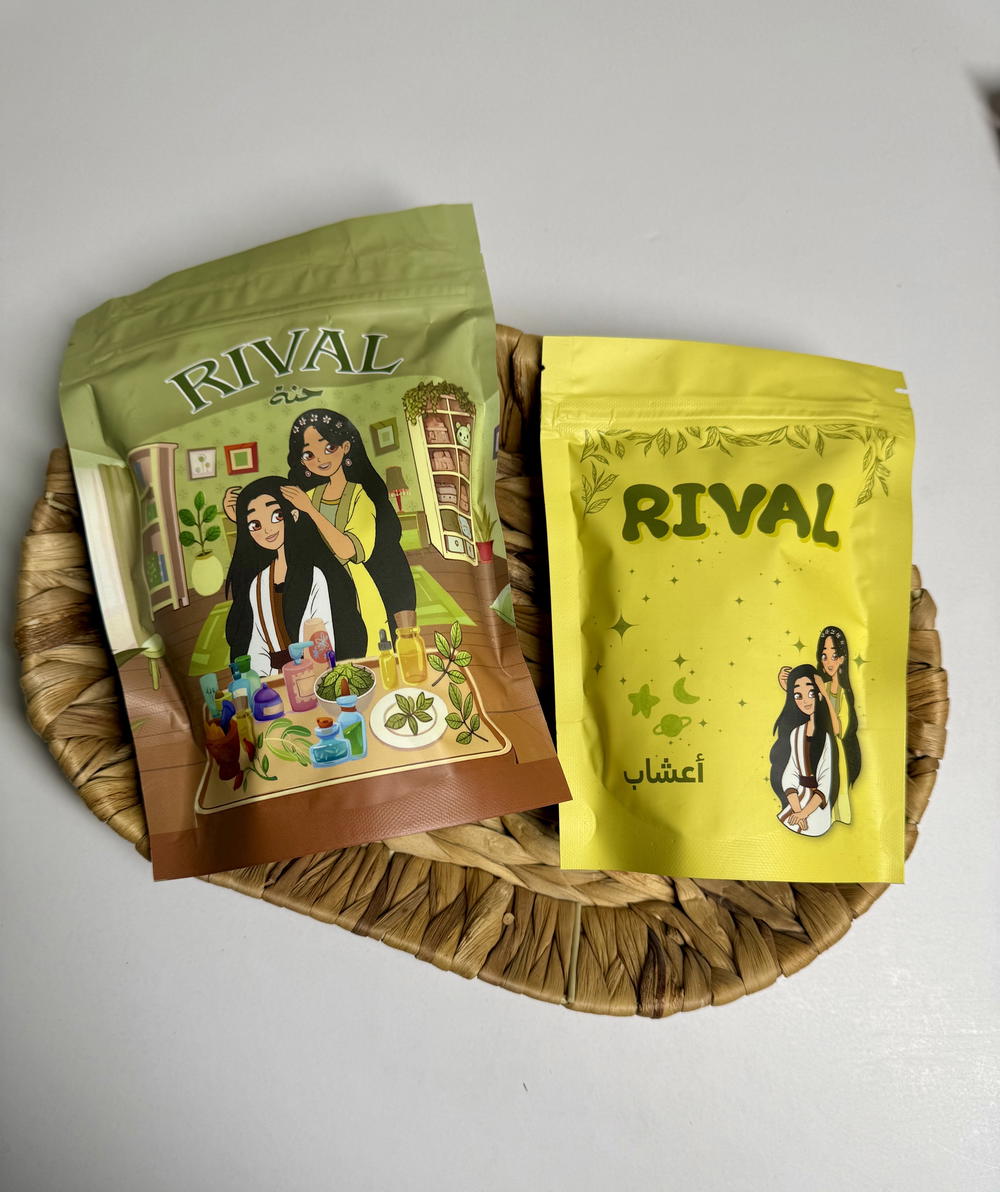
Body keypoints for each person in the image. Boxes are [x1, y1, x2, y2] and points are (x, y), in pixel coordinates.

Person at [224, 408, 417, 656]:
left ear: (345, 447)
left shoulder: (360, 495)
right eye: (309, 454)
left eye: (329, 448)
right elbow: (284, 530)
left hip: (355, 589)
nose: (320, 459)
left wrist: (310, 510)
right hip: (317, 586)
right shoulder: (309, 496)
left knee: (362, 652)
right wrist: (241, 517)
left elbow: (348, 550)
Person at [224, 476, 366, 676]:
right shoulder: (259, 582)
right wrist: (264, 680)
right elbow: (258, 644)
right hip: (276, 677)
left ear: (294, 515)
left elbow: (324, 633)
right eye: (255, 524)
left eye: (276, 516)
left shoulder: (315, 575)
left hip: (319, 672)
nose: (267, 529)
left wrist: (314, 673)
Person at [769, 663, 841, 837]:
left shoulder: (826, 737)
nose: (805, 701)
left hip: (817, 809)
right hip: (796, 802)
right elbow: (790, 773)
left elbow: (825, 782)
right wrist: (797, 810)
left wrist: (804, 813)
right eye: (798, 696)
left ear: (819, 694)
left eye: (810, 693)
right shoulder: (796, 733)